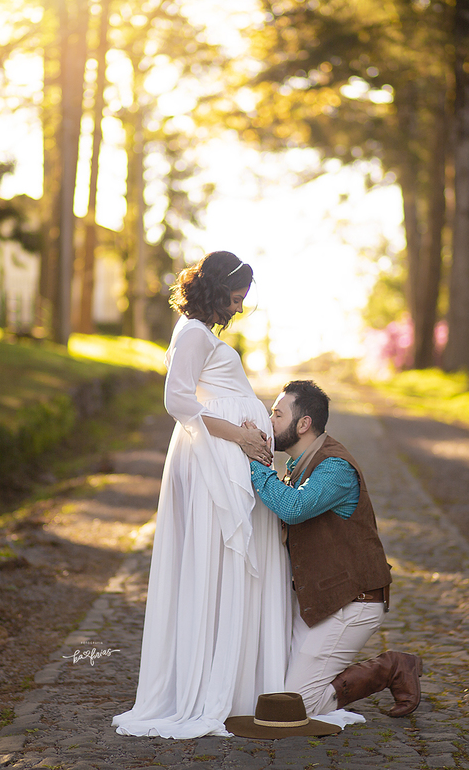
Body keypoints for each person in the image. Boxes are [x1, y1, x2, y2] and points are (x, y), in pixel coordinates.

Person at [112, 251, 292, 739]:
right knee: (219, 562)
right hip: (214, 458)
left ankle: (236, 681)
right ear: (215, 288)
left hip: (226, 455)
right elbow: (176, 399)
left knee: (228, 566)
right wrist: (240, 435)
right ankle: (214, 685)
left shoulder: (200, 333)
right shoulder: (193, 332)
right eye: (235, 297)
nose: (239, 307)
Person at [248, 379, 422, 719]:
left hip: (353, 603)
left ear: (303, 424)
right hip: (319, 601)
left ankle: (390, 668)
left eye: (277, 415)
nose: (269, 422)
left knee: (298, 706)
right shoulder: (299, 466)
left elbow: (294, 507)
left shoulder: (335, 467)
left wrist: (254, 462)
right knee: (273, 690)